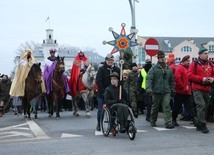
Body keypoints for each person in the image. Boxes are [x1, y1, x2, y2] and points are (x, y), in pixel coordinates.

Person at [188, 46, 214, 133]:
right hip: (197, 88)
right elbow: (189, 75)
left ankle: (199, 123)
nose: (207, 55)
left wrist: (212, 79)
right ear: (200, 54)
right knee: (201, 105)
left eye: (208, 53)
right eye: (205, 53)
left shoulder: (211, 64)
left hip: (207, 88)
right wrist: (202, 79)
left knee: (205, 107)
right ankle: (202, 124)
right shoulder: (194, 64)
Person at [146, 51, 175, 129]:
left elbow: (171, 81)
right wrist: (149, 89)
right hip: (156, 91)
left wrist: (172, 90)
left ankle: (168, 123)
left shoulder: (168, 69)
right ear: (158, 58)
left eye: (163, 57)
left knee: (166, 106)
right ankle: (153, 120)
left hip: (166, 91)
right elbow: (149, 79)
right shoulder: (153, 69)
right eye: (160, 58)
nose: (162, 59)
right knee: (155, 107)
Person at [95, 53, 120, 131]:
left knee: (113, 109)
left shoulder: (117, 69)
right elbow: (99, 81)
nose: (110, 61)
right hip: (103, 93)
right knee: (100, 110)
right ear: (106, 61)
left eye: (111, 60)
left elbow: (120, 80)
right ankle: (99, 123)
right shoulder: (101, 69)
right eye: (108, 60)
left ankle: (112, 124)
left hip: (114, 93)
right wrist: (104, 92)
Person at [172, 55, 196, 126]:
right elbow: (177, 79)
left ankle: (194, 119)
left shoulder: (189, 68)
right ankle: (173, 119)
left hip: (187, 91)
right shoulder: (180, 68)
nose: (189, 62)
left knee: (190, 106)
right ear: (183, 61)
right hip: (180, 92)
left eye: (189, 61)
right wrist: (183, 87)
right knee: (177, 106)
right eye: (187, 61)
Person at [68, 51, 90, 115]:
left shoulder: (86, 60)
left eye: (82, 56)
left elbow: (88, 67)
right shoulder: (76, 61)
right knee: (76, 80)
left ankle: (94, 90)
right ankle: (76, 90)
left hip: (86, 73)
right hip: (79, 74)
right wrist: (79, 73)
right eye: (80, 56)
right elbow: (75, 69)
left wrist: (87, 71)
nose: (81, 57)